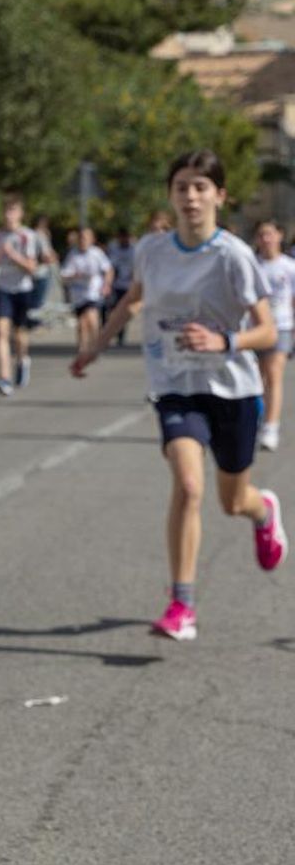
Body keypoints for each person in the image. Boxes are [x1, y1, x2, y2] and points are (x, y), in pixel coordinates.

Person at [72, 149, 286, 641]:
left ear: (219, 195)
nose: (190, 196)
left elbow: (268, 330)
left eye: (200, 187)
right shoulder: (152, 249)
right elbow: (133, 298)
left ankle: (263, 512)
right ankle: (181, 604)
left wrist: (223, 341)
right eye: (182, 187)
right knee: (189, 486)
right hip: (175, 384)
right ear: (170, 194)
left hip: (232, 388)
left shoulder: (234, 255)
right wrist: (94, 347)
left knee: (233, 501)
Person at [0, 193, 42, 395]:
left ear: (20, 214)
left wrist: (13, 256)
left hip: (23, 289)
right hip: (3, 289)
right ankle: (4, 378)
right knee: (0, 331)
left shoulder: (27, 236)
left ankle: (22, 360)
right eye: (6, 211)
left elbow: (31, 268)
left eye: (13, 211)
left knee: (19, 335)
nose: (9, 215)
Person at [254, 219, 295, 451]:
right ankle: (257, 420)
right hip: (255, 328)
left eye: (269, 234)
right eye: (261, 234)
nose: (265, 239)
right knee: (256, 380)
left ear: (279, 236)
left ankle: (271, 426)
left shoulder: (289, 266)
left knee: (274, 374)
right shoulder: (253, 265)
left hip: (281, 326)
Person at [60, 226, 113, 359]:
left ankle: (96, 346)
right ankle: (83, 348)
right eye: (81, 238)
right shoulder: (73, 254)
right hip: (78, 293)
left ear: (92, 239)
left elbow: (108, 269)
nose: (83, 240)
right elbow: (65, 274)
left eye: (86, 238)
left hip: (93, 291)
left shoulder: (97, 253)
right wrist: (74, 276)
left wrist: (106, 285)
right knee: (82, 323)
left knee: (91, 317)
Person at [105, 227, 136, 346]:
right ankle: (107, 334)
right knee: (111, 310)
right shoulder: (113, 247)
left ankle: (121, 336)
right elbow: (109, 265)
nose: (124, 240)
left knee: (123, 312)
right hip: (114, 284)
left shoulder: (134, 249)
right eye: (121, 238)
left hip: (127, 285)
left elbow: (136, 268)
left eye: (126, 238)